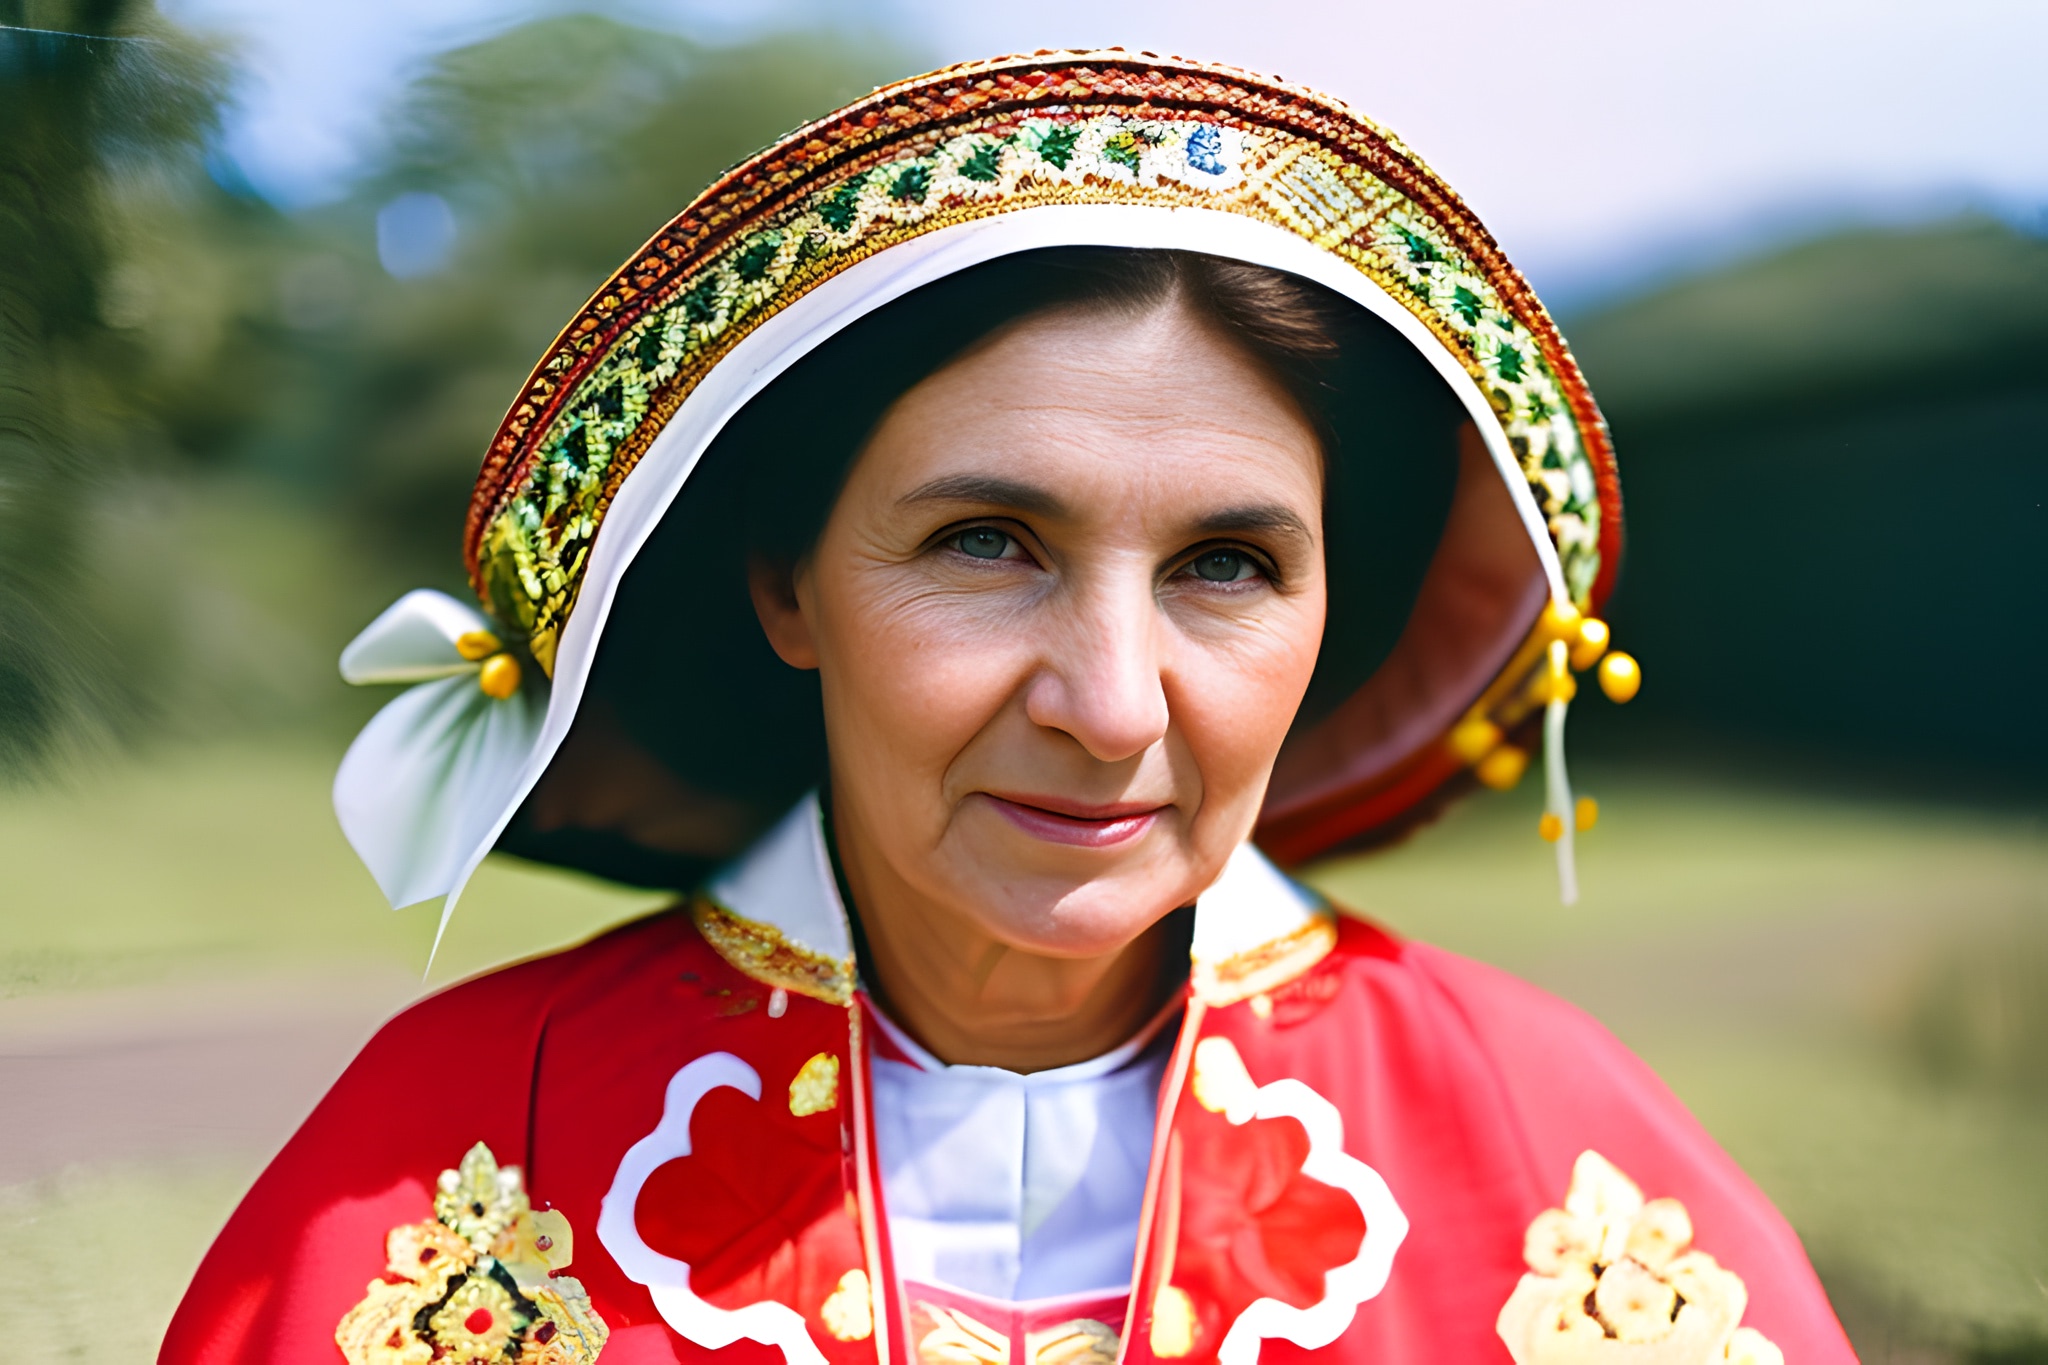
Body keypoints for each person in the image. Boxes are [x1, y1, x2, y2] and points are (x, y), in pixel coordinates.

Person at [162, 52, 1856, 1365]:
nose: (1114, 706)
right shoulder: (452, 1150)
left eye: (1229, 566)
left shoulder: (1560, 1151)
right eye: (988, 542)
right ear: (786, 583)